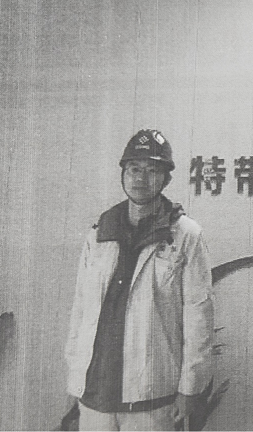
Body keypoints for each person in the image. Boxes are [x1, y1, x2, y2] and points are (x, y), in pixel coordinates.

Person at [65, 129, 214, 431]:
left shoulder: (185, 235)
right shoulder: (100, 233)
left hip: (151, 395)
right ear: (123, 173)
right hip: (95, 392)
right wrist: (74, 377)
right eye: (134, 168)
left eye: (152, 170)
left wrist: (190, 388)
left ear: (166, 179)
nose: (141, 179)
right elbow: (80, 310)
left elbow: (199, 315)